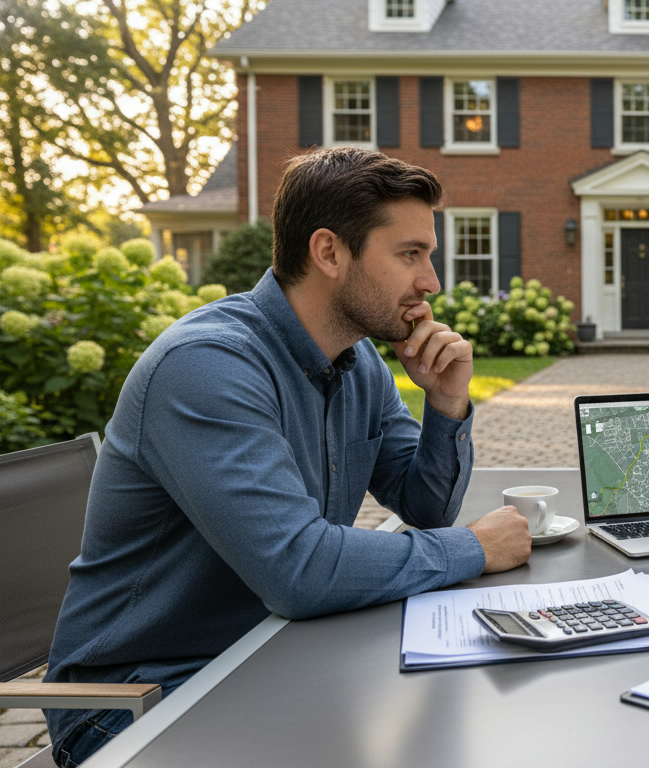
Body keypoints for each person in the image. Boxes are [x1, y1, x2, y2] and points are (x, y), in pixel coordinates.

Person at [43, 147, 533, 766]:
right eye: (410, 254)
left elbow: (425, 507)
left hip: (275, 658)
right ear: (328, 252)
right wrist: (475, 549)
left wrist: (446, 403)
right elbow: (299, 571)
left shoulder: (357, 366)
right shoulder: (207, 367)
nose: (431, 282)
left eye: (427, 255)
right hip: (144, 701)